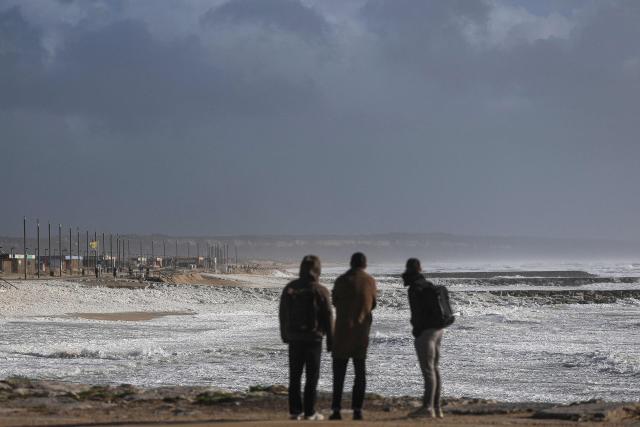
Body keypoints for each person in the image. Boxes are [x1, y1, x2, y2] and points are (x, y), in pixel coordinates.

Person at [279, 255, 333, 421]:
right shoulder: (321, 290)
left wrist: (285, 335)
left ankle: (295, 411)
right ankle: (310, 412)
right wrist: (331, 340)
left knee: (294, 376)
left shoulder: (290, 288)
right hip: (314, 339)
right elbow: (328, 316)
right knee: (312, 376)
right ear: (318, 270)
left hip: (295, 338)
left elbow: (283, 314)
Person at [330, 252, 377, 421]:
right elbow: (373, 304)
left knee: (339, 374)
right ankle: (357, 410)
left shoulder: (341, 280)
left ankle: (336, 409)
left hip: (342, 333)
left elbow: (334, 301)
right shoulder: (370, 281)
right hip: (360, 334)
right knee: (360, 373)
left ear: (350, 263)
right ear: (364, 264)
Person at [403, 258, 445, 419]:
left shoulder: (415, 288)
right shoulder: (428, 285)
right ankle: (437, 408)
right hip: (439, 330)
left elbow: (417, 314)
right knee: (434, 368)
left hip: (426, 332)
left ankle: (427, 408)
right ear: (420, 268)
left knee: (428, 370)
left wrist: (417, 331)